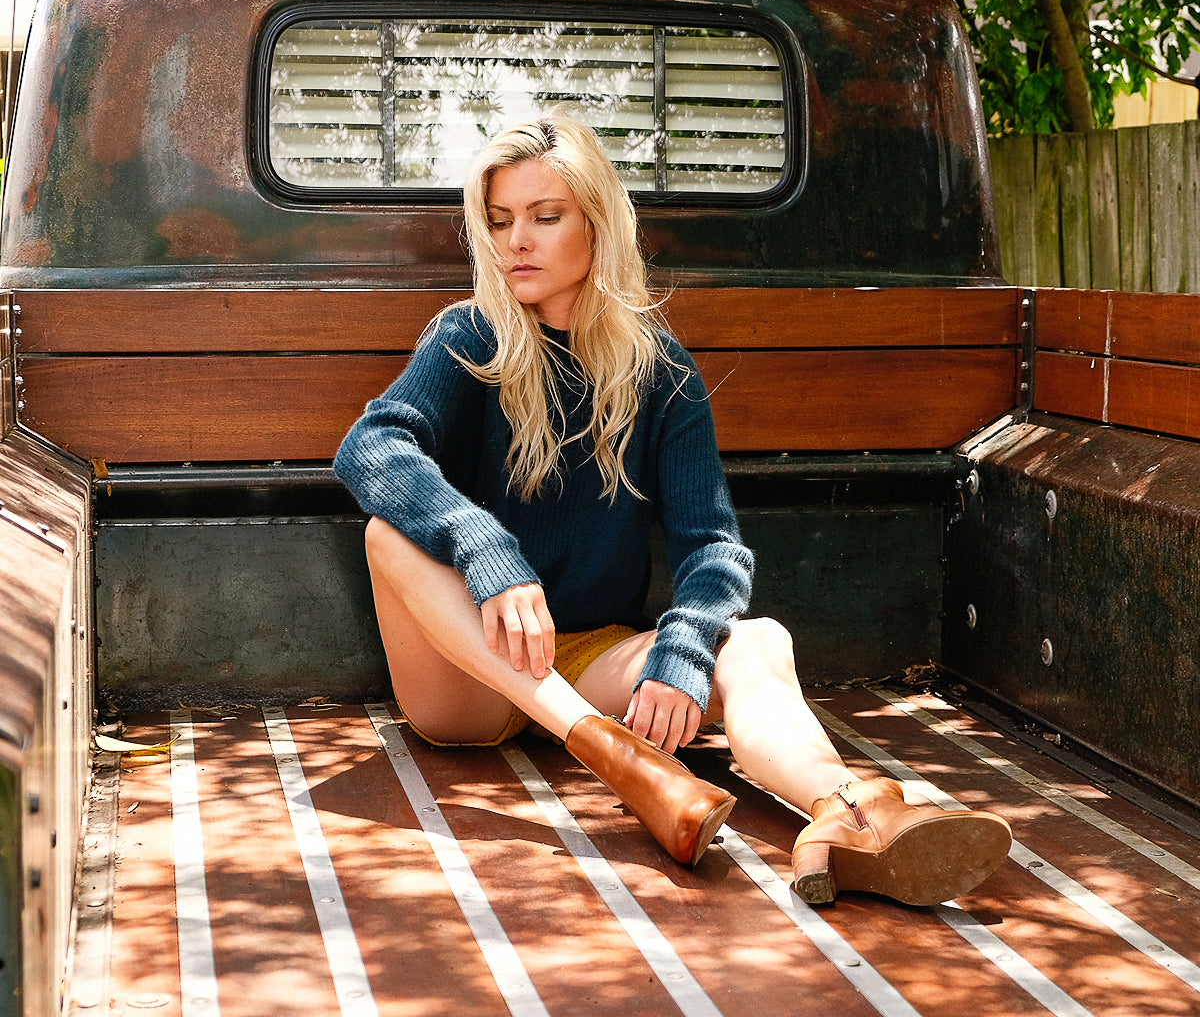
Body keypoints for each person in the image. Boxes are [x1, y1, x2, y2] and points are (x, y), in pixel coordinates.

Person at [334, 114, 1012, 905]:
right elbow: (371, 446)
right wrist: (485, 550)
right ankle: (622, 762)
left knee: (758, 640)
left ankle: (852, 812)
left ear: (599, 223)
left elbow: (713, 547)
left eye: (544, 217)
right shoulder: (469, 336)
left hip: (585, 656)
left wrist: (685, 649)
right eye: (499, 221)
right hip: (468, 673)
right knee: (391, 532)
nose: (516, 240)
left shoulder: (663, 374)